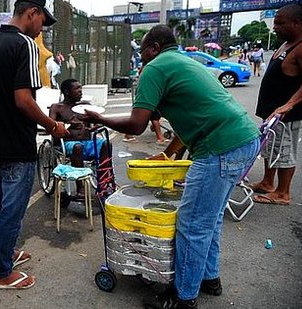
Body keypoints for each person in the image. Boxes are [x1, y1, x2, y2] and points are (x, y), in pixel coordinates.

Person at [81, 25, 260, 309]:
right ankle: (208, 279)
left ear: (153, 47)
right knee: (209, 219)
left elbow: (137, 124)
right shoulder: (184, 62)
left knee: (192, 225)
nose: (142, 58)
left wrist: (99, 119)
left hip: (220, 147)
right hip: (244, 141)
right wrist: (167, 155)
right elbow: (189, 119)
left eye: (142, 52)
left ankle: (183, 298)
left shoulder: (156, 67)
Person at [0, 0, 67, 290]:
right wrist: (53, 126)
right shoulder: (24, 44)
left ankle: (7, 252)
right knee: (12, 210)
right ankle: (0, 272)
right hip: (15, 143)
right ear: (32, 13)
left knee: (3, 206)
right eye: (42, 23)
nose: (41, 30)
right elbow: (23, 99)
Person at [250, 4, 302, 206]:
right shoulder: (286, 44)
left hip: (286, 115)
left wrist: (289, 104)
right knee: (270, 147)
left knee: (284, 150)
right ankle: (267, 182)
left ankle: (282, 193)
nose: (275, 27)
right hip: (272, 112)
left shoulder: (300, 47)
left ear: (297, 23)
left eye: (280, 23)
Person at [49, 78, 111, 197]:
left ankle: (104, 182)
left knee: (106, 143)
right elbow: (51, 127)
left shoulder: (85, 106)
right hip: (68, 143)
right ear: (67, 92)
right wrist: (68, 125)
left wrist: (94, 127)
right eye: (77, 89)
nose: (80, 91)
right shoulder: (57, 107)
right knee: (77, 147)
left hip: (87, 141)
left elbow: (98, 122)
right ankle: (80, 187)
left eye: (81, 88)